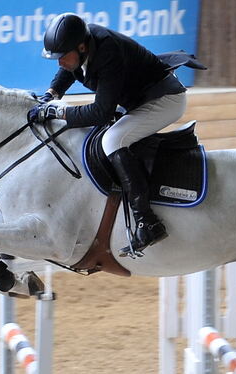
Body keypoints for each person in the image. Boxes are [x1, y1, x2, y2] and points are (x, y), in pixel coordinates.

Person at [28, 13, 187, 254]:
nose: (59, 62)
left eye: (62, 56)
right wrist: (51, 94)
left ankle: (147, 221)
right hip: (140, 98)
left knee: (113, 139)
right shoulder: (82, 45)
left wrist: (57, 113)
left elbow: (101, 112)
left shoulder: (107, 51)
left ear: (81, 47)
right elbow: (70, 68)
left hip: (165, 100)